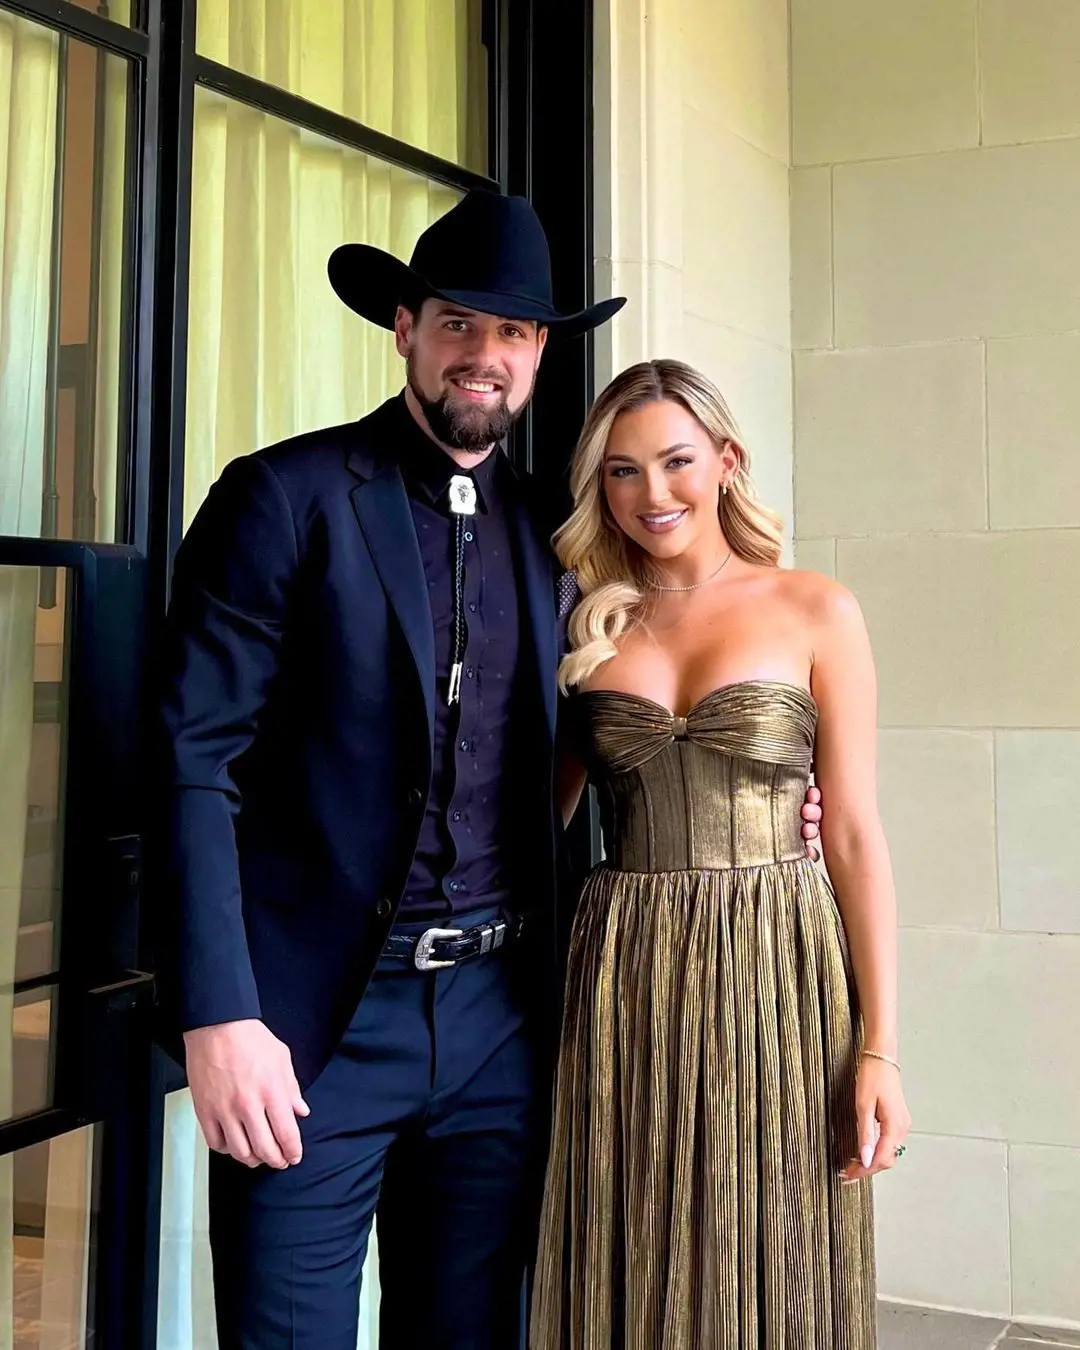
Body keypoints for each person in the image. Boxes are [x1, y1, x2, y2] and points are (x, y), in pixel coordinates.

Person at [157, 193, 823, 1349]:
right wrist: (219, 1013)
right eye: (460, 322)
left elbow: (621, 729)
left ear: (539, 354)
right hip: (313, 1029)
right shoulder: (283, 499)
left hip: (504, 1026)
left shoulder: (559, 536)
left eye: (513, 333)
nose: (485, 354)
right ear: (405, 327)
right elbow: (189, 762)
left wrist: (761, 797)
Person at [530, 359, 911, 1349]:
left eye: (676, 462)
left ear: (727, 462)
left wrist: (879, 1048)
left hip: (780, 963)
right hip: (626, 965)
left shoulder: (816, 608)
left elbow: (859, 835)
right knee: (637, 1235)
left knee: (775, 1239)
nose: (652, 494)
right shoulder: (579, 623)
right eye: (621, 471)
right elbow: (529, 825)